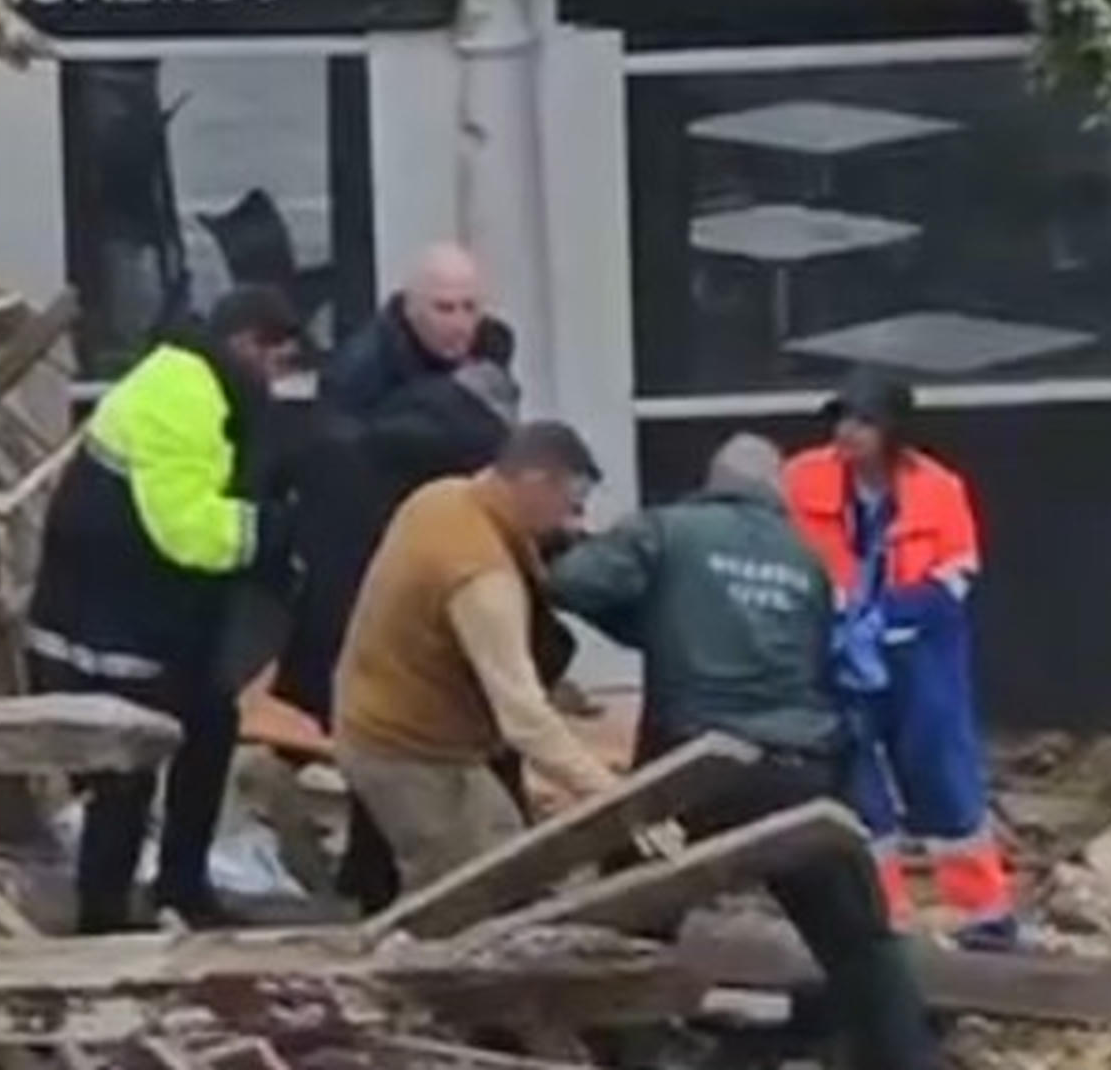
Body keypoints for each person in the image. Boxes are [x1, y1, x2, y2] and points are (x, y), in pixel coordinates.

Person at [549, 433, 940, 1070]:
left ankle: (614, 1051)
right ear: (775, 494)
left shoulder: (666, 529)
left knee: (623, 924)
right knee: (861, 942)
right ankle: (903, 1058)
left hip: (690, 771)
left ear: (713, 480)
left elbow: (573, 583)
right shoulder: (807, 560)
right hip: (796, 773)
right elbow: (822, 666)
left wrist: (643, 615)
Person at [27, 286, 302, 934]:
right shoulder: (182, 399)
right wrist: (277, 531)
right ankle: (103, 917)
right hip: (111, 622)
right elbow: (187, 530)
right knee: (127, 765)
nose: (280, 379)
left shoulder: (202, 384)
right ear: (247, 345)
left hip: (149, 615)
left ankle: (183, 886)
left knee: (208, 728)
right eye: (277, 361)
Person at [274, 242, 522, 912]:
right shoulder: (360, 377)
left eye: (470, 307)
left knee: (477, 728)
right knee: (393, 740)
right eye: (444, 308)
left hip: (451, 562)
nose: (459, 324)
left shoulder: (487, 357)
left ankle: (404, 879)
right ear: (410, 308)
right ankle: (384, 887)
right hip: (377, 571)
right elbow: (349, 482)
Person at [782, 368, 1019, 951]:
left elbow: (956, 575)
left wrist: (889, 615)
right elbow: (782, 551)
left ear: (893, 432)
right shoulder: (801, 480)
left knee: (941, 770)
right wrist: (831, 613)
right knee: (855, 781)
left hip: (921, 653)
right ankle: (879, 913)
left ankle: (984, 912)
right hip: (833, 649)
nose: (847, 432)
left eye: (863, 420)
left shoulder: (939, 488)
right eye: (842, 418)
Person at [332, 422, 620, 891]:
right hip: (405, 751)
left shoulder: (441, 498)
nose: (572, 522)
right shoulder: (481, 578)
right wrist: (608, 793)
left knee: (512, 860)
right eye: (571, 505)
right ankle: (426, 960)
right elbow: (524, 718)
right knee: (459, 895)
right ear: (535, 481)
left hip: (394, 723)